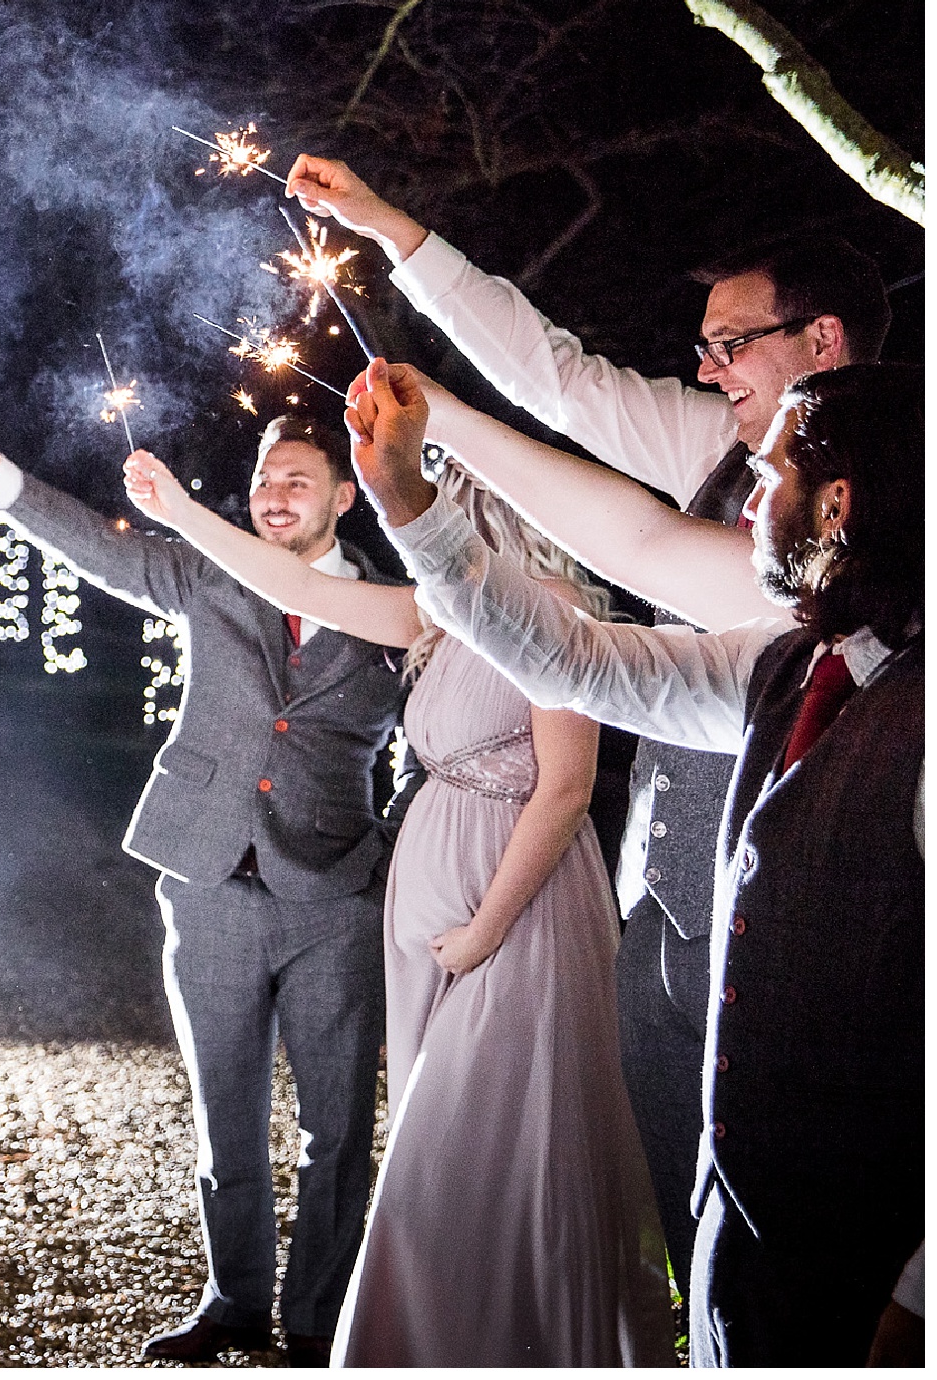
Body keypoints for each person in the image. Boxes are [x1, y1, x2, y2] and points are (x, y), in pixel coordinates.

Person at [286, 154, 887, 1270]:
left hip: (811, 962)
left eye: (732, 344)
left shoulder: (857, 584)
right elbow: (563, 396)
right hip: (661, 913)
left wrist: (427, 488)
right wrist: (394, 247)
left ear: (824, 341)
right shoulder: (715, 453)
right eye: (702, 348)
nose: (706, 371)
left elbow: (634, 568)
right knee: (696, 1238)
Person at [346, 358, 921, 1368]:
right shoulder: (786, 663)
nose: (748, 499)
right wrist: (412, 507)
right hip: (747, 1240)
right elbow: (573, 659)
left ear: (838, 503)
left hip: (878, 1270)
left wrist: (919, 1294)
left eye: (773, 474)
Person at [119, 448, 670, 1363]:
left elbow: (568, 788)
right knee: (429, 1128)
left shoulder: (557, 616)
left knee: (498, 1119)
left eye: (439, 507)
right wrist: (180, 510)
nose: (417, 524)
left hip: (509, 901)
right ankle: (442, 1331)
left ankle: (520, 1331)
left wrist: (485, 930)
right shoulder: (436, 615)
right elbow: (289, 580)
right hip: (424, 897)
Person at [0, 399, 401, 1366]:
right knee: (227, 1114)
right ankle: (234, 1307)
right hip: (207, 877)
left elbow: (435, 742)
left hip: (335, 893)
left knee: (338, 1126)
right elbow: (95, 546)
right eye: (264, 480)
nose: (274, 494)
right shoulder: (207, 569)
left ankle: (315, 1325)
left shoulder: (397, 608)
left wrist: (388, 844)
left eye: (298, 479)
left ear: (345, 496)